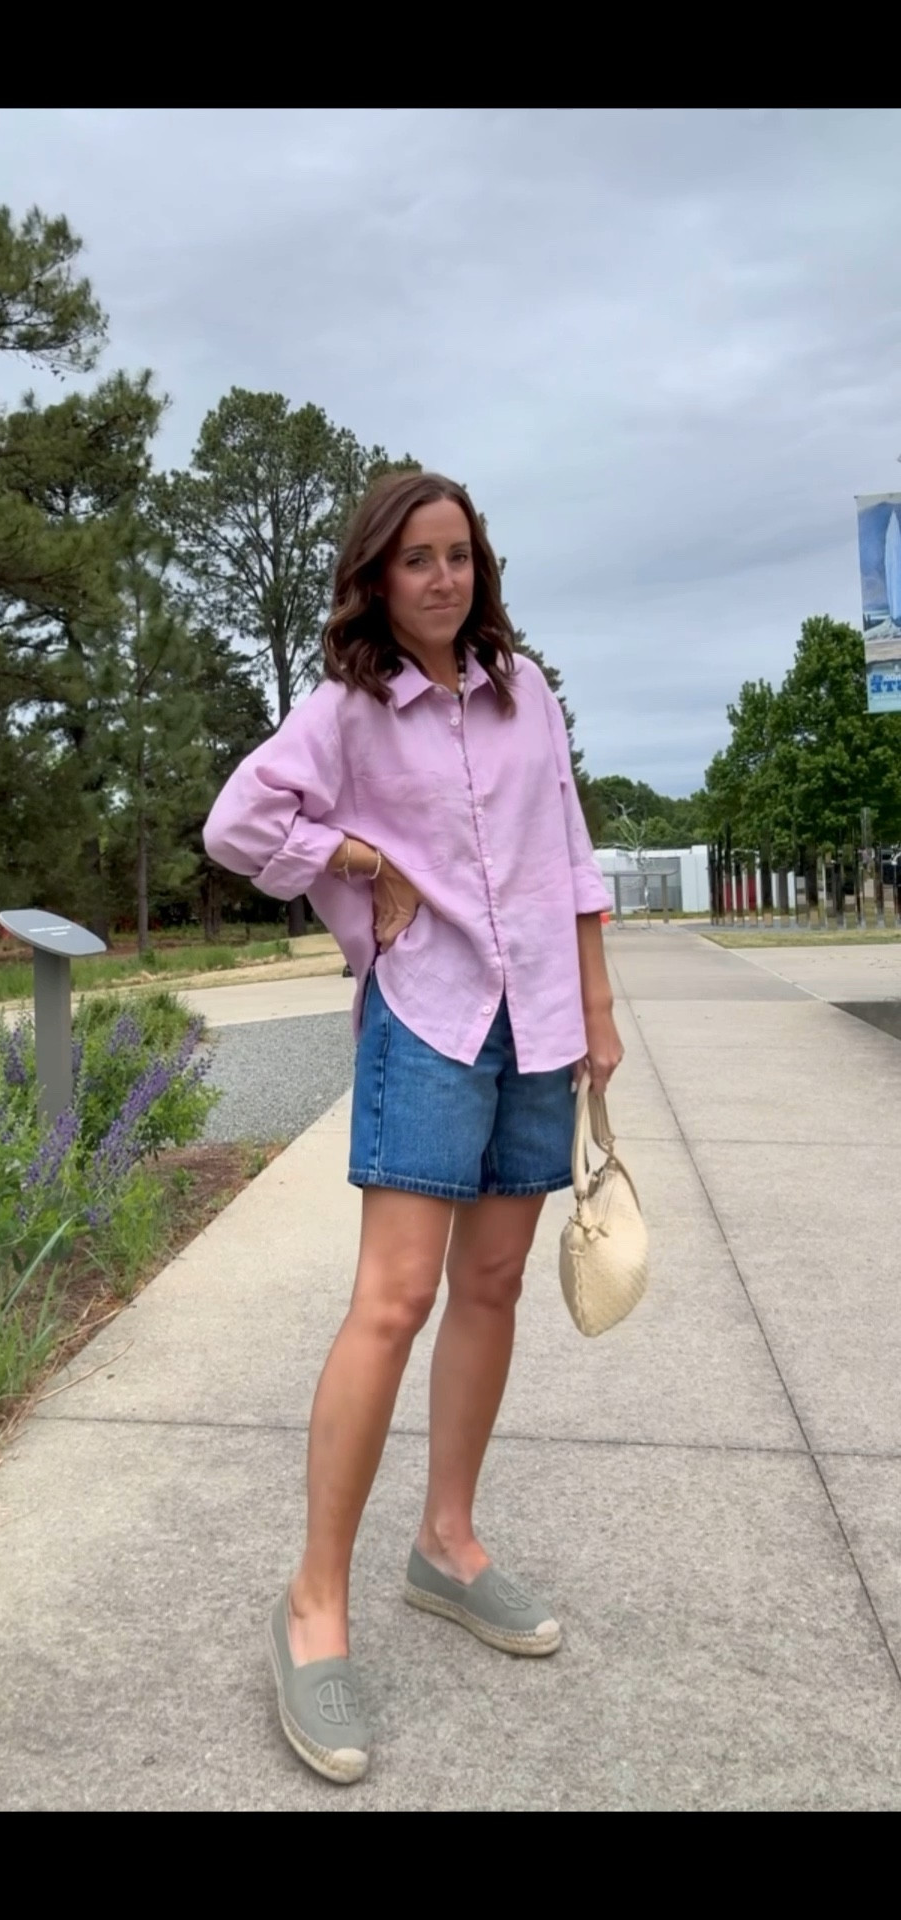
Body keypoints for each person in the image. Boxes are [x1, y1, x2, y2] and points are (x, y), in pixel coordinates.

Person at [203, 471, 623, 1785]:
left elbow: (571, 851)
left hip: (539, 1024)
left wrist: (597, 1010)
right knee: (392, 1303)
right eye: (417, 560)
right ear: (378, 578)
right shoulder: (345, 710)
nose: (442, 579)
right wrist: (355, 862)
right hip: (429, 1018)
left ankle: (447, 1541)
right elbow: (239, 824)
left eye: (460, 557)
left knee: (492, 1287)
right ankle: (313, 1604)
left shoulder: (526, 692)